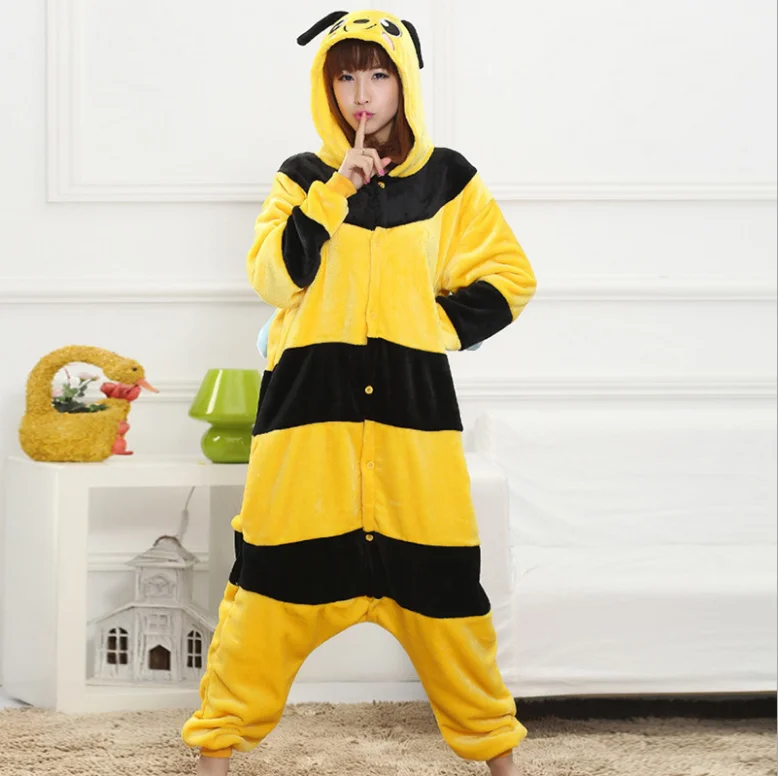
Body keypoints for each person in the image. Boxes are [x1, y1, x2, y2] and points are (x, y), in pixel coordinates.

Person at [182, 10, 536, 775]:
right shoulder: (301, 176)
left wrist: (429, 326)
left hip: (414, 419)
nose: (362, 93)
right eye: (345, 75)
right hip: (308, 416)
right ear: (327, 85)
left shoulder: (448, 180)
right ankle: (216, 750)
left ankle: (498, 752)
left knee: (445, 590)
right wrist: (334, 191)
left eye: (378, 73)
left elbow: (510, 277)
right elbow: (273, 277)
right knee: (269, 582)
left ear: (403, 82)